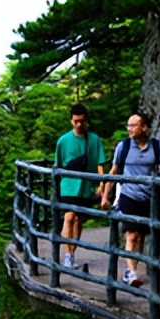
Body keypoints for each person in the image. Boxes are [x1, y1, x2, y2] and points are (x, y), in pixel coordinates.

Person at [100, 112, 160, 287]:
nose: (130, 129)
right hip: (128, 195)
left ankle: (131, 268)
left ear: (144, 127)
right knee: (132, 235)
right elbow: (114, 171)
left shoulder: (156, 147)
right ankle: (132, 273)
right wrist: (105, 196)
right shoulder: (123, 147)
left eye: (133, 125)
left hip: (148, 198)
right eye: (128, 125)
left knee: (140, 237)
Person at [54, 103, 107, 269]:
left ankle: (72, 252)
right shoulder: (63, 141)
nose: (79, 124)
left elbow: (100, 163)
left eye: (82, 121)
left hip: (85, 185)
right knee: (69, 216)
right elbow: (59, 164)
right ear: (71, 121)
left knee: (79, 220)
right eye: (76, 121)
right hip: (68, 184)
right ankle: (67, 256)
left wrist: (101, 185)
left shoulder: (94, 139)